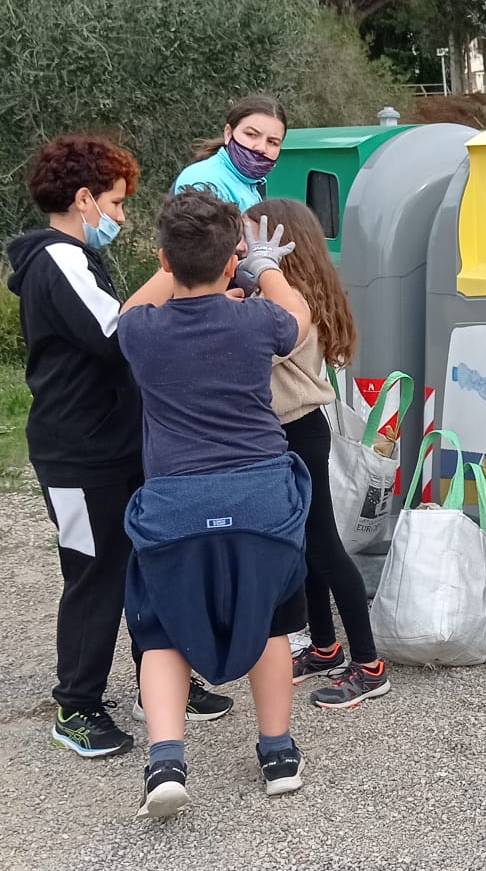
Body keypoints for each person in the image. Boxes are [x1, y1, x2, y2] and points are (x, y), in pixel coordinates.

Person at [4, 134, 230, 760]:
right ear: (84, 199)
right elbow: (117, 332)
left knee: (149, 562)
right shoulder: (58, 259)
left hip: (121, 440)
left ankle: (157, 684)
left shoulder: (78, 258)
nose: (122, 217)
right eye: (116, 202)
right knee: (95, 573)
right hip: (77, 452)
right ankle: (75, 706)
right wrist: (174, 269)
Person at [117, 190, 316, 816]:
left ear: (163, 259)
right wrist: (264, 266)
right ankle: (278, 755)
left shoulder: (142, 332)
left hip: (176, 506)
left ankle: (166, 762)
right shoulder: (255, 321)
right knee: (271, 621)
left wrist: (176, 265)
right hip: (261, 501)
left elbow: (128, 308)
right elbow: (299, 315)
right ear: (231, 261)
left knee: (162, 630)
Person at [243, 199, 390, 708]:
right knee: (302, 546)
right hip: (284, 431)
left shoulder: (289, 304)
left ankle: (369, 666)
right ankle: (325, 647)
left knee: (324, 546)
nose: (243, 248)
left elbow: (257, 347)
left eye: (251, 239)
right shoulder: (287, 293)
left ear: (281, 246)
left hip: (298, 431)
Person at [172, 94, 288, 210]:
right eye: (251, 134)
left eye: (272, 142)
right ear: (228, 133)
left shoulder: (248, 183)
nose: (261, 148)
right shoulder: (203, 181)